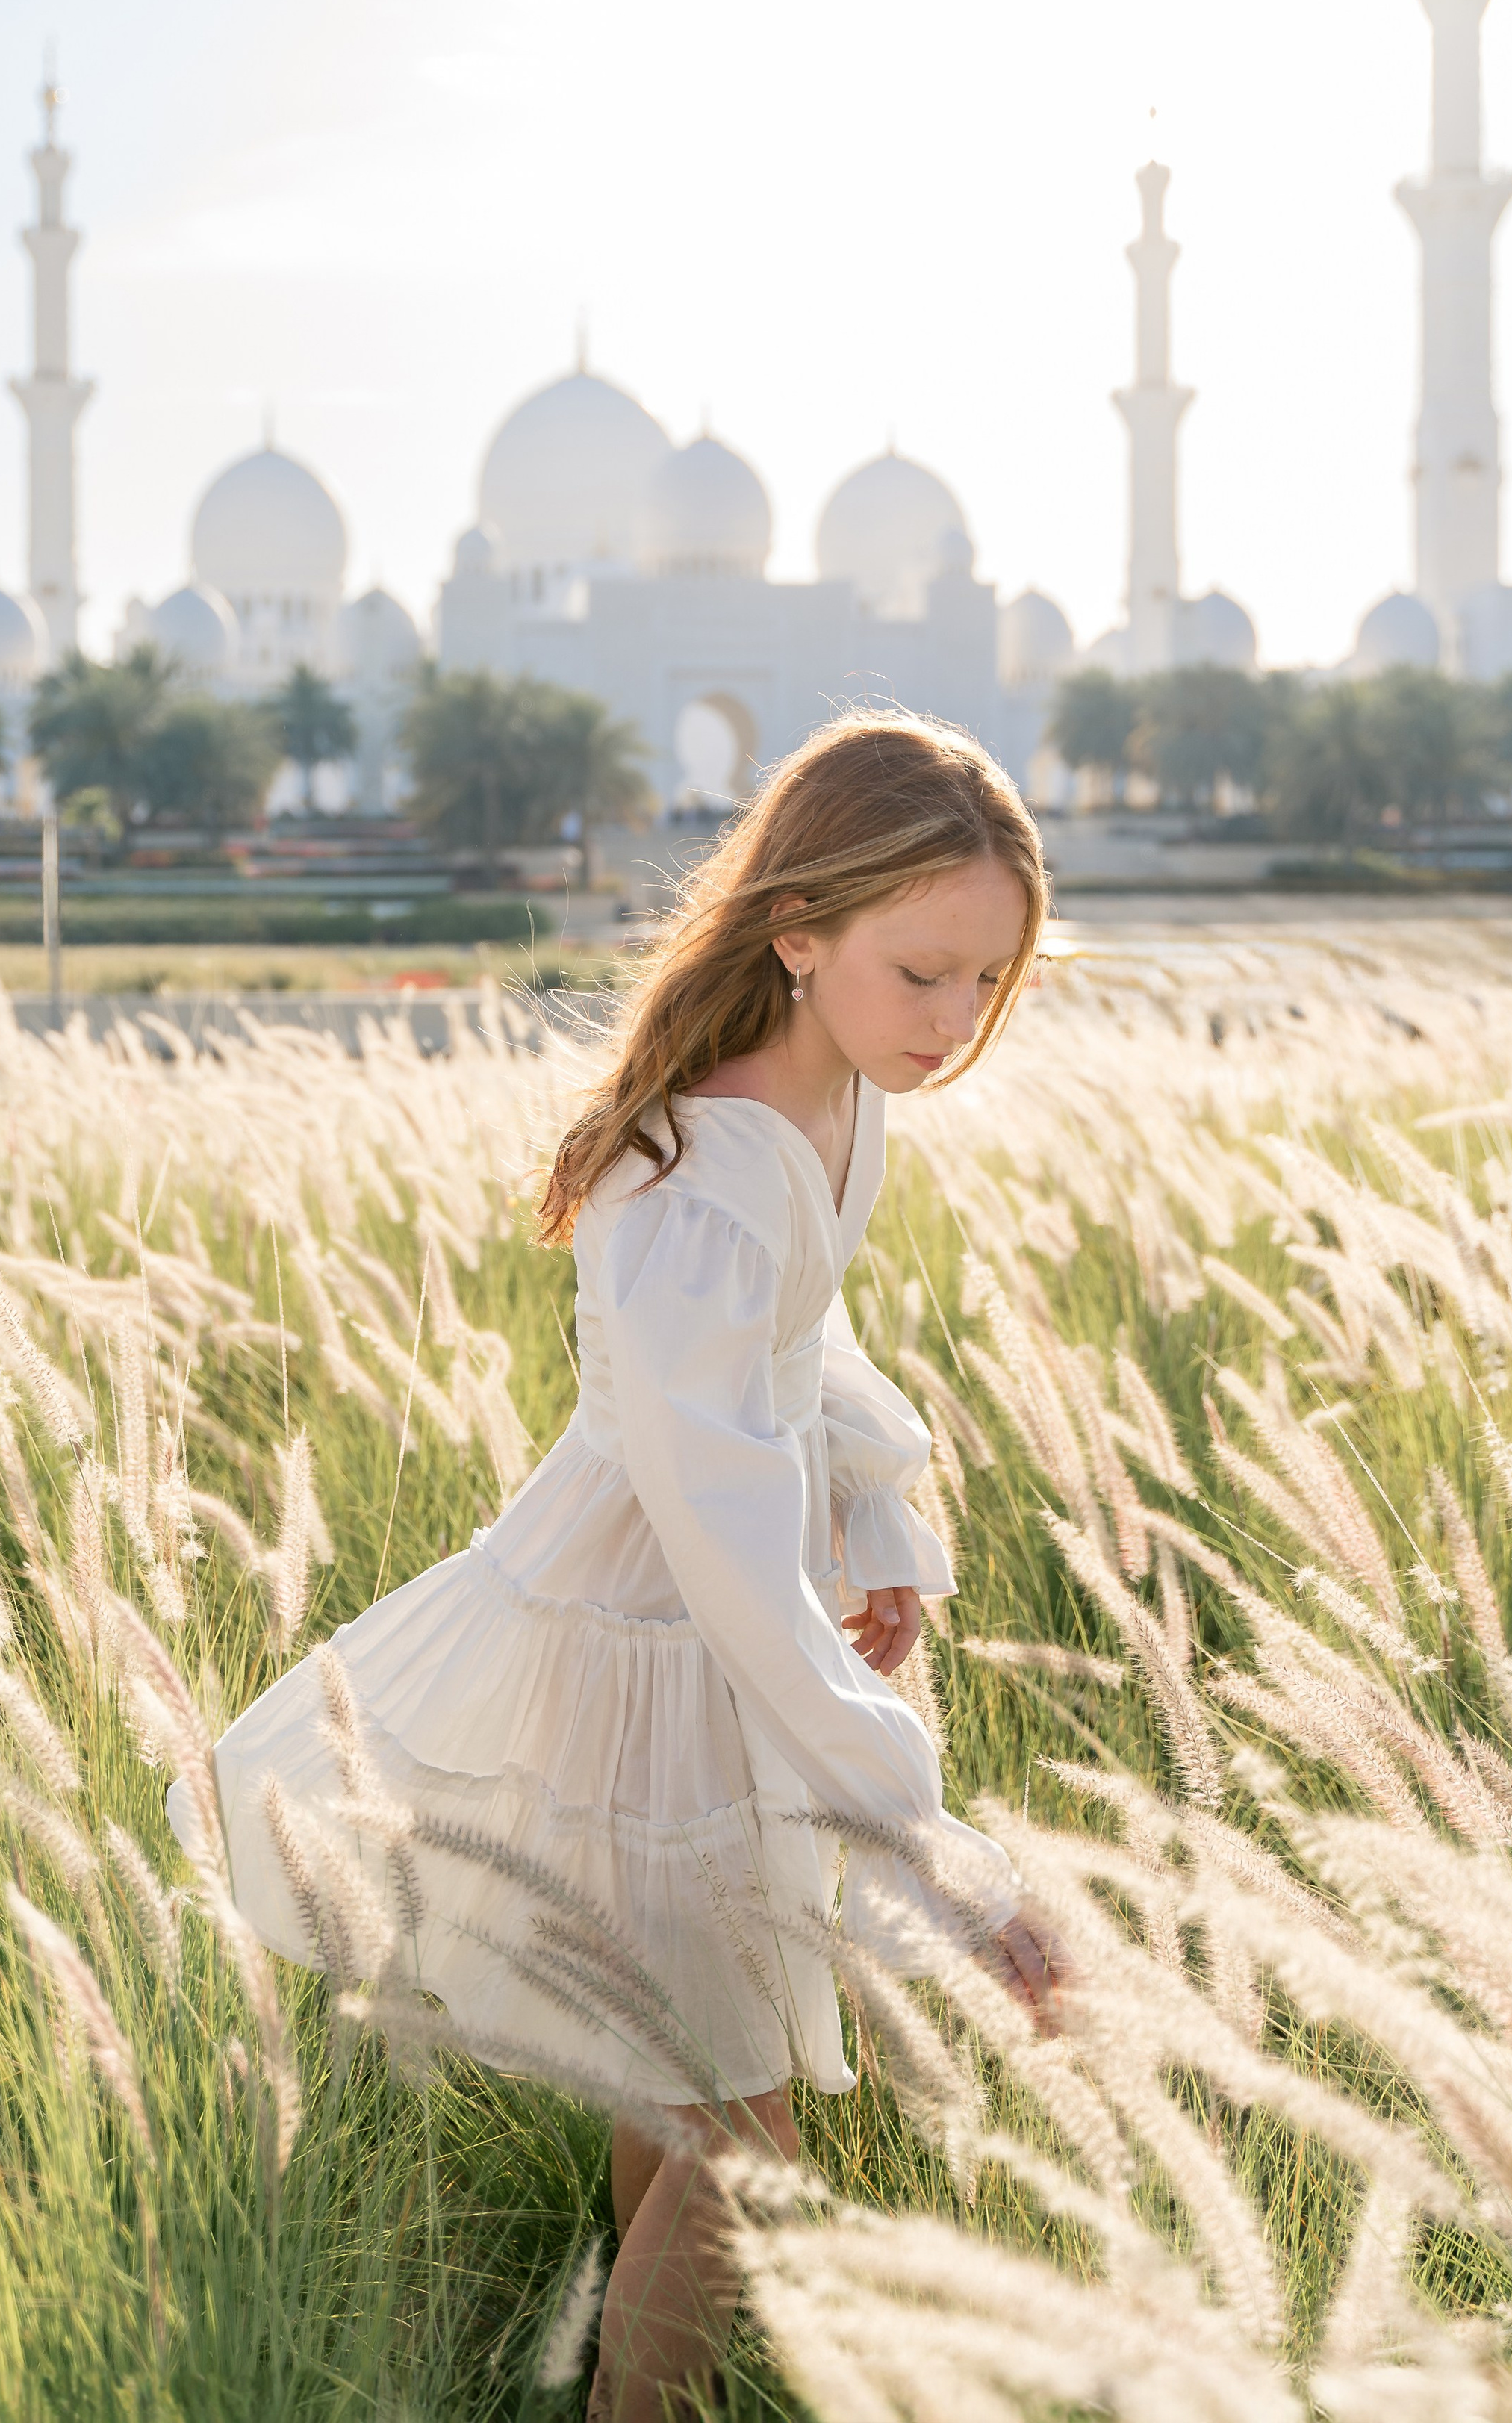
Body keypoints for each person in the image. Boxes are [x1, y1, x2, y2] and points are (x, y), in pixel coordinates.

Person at [177, 709, 1069, 2419]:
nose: (954, 1025)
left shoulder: (831, 1101)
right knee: (742, 2142)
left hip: (713, 1644)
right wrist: (918, 1823)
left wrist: (871, 1517)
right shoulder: (696, 1178)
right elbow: (717, 1527)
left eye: (986, 983)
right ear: (795, 934)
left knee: (686, 2102)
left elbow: (804, 1348)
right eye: (921, 975)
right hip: (646, 1646)